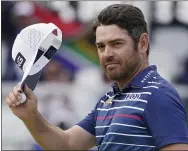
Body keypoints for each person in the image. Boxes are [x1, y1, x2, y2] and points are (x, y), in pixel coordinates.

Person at [5, 4, 188, 151]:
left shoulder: (158, 95)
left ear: (142, 43)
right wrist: (31, 116)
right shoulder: (108, 100)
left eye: (116, 44)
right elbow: (66, 144)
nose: (106, 54)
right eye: (101, 46)